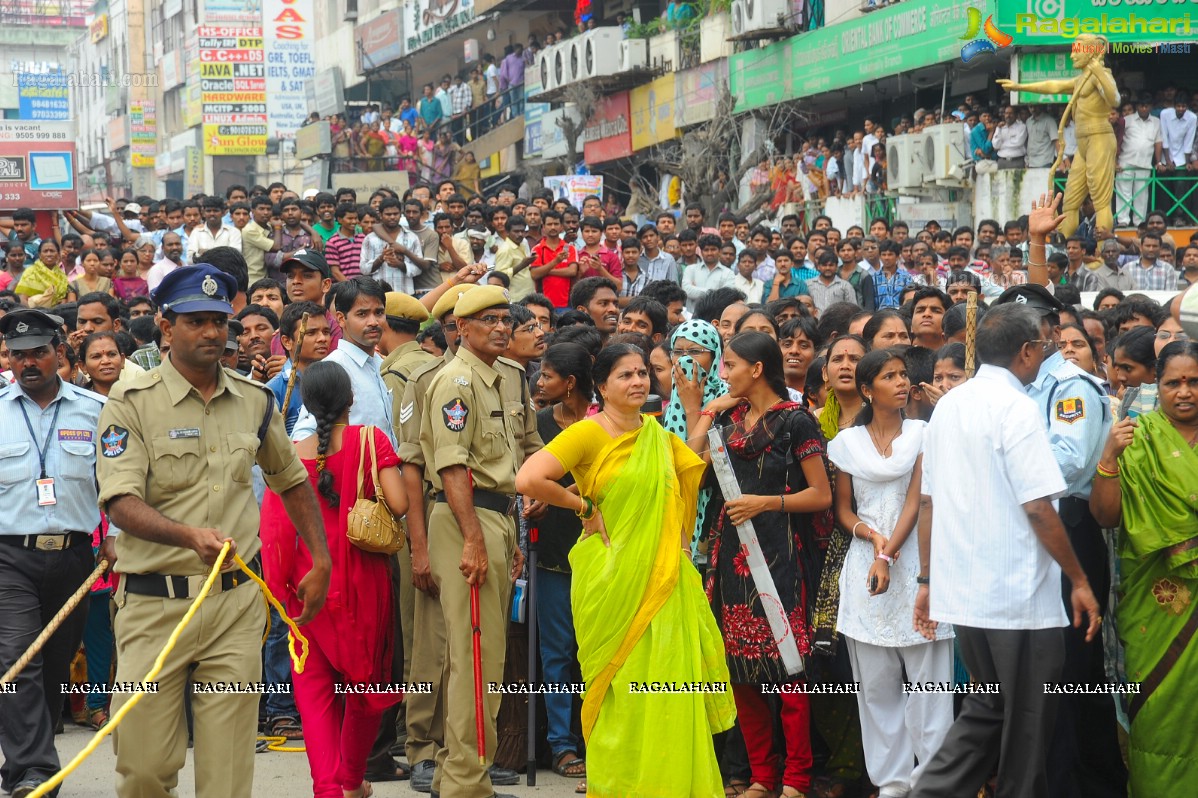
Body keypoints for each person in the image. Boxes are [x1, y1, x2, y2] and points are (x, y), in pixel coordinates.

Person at [95, 265, 331, 798]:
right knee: (144, 766)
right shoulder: (129, 404)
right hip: (154, 606)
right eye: (196, 321)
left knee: (227, 773)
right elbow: (121, 502)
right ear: (165, 324)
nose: (210, 333)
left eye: (218, 321)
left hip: (235, 607)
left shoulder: (254, 399)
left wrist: (320, 559)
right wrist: (187, 536)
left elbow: (291, 479)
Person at [516, 343, 737, 798]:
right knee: (620, 690)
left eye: (641, 373)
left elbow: (687, 467)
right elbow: (529, 479)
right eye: (624, 375)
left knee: (667, 688)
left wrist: (706, 411)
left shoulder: (654, 433)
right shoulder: (589, 433)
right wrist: (583, 507)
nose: (637, 381)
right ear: (600, 385)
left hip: (663, 578)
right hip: (612, 578)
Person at [910, 303, 1101, 798]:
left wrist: (928, 579)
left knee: (989, 709)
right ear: (1026, 352)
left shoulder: (950, 403)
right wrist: (1079, 580)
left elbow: (928, 501)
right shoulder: (1016, 407)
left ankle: (930, 791)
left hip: (968, 593)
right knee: (1027, 724)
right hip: (1017, 600)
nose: (1045, 354)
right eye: (1043, 346)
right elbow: (1039, 507)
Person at [692, 332, 833, 798]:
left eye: (729, 364)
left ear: (756, 369)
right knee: (742, 671)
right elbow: (691, 462)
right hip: (732, 556)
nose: (723, 372)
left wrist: (764, 503)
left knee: (789, 667)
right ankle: (760, 775)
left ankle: (795, 778)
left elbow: (820, 495)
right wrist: (704, 408)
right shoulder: (728, 420)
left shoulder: (797, 422)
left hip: (781, 554)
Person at [261, 361, 406, 798]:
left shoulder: (288, 455)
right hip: (365, 587)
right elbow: (397, 503)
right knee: (364, 690)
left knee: (316, 693)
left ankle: (327, 788)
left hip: (308, 591)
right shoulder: (371, 441)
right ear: (351, 400)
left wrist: (283, 590)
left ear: (305, 402)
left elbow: (273, 530)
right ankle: (353, 779)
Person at [418, 285, 538, 798]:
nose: (501, 327)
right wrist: (472, 539)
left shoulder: (502, 377)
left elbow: (510, 462)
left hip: (494, 517)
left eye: (505, 318)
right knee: (475, 659)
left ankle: (457, 772)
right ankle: (468, 784)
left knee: (476, 656)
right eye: (486, 319)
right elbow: (453, 466)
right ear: (460, 328)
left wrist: (505, 532)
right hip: (464, 520)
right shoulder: (457, 380)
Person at [828, 348, 954, 798]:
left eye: (904, 375)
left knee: (930, 688)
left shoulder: (924, 434)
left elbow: (918, 501)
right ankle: (893, 785)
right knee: (876, 690)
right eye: (889, 376)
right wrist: (870, 538)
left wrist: (888, 552)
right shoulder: (846, 443)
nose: (902, 382)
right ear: (867, 389)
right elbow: (843, 508)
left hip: (918, 568)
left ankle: (932, 784)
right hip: (865, 569)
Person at [0, 309, 107, 798]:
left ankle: (21, 759)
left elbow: (118, 483)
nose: (27, 363)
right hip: (9, 557)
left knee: (56, 662)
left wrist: (118, 535)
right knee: (18, 658)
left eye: (38, 353)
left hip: (75, 557)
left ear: (58, 353)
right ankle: (36, 770)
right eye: (17, 355)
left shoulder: (94, 410)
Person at [1089, 340, 1198, 796]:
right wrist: (1110, 458)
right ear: (1157, 384)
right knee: (1158, 715)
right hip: (1158, 600)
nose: (1185, 391)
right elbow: (1106, 516)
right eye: (1173, 382)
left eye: (1194, 381)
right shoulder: (1137, 435)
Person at [531, 343, 593, 783]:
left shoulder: (604, 428)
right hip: (551, 555)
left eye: (548, 375)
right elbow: (524, 477)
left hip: (600, 555)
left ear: (569, 384)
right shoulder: (537, 425)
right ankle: (561, 744)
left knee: (594, 654)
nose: (539, 382)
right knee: (557, 655)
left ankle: (596, 738)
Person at [662, 320, 727, 560]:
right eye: (678, 352)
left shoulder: (726, 399)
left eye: (695, 351)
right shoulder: (670, 405)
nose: (685, 359)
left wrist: (693, 410)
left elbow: (697, 475)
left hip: (710, 520)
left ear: (714, 356)